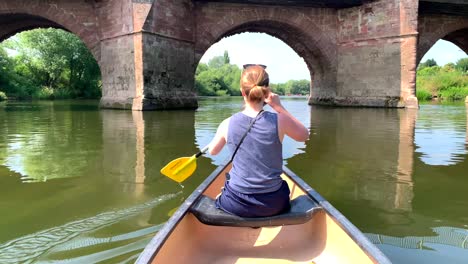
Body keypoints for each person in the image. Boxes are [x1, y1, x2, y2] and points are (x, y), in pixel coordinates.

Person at [207, 64, 309, 217]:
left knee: (221, 194)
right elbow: (304, 135)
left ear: (242, 92)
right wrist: (279, 107)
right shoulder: (280, 120)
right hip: (274, 204)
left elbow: (213, 151)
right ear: (267, 91)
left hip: (236, 204)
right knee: (283, 186)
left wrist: (221, 135)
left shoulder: (226, 124)